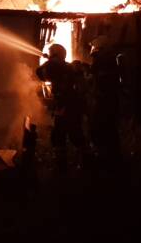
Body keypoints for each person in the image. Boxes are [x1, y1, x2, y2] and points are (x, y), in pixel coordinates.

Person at [36, 43, 87, 170]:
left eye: (52, 53)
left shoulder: (54, 65)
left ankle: (63, 165)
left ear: (56, 54)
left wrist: (48, 60)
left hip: (65, 105)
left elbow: (40, 73)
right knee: (72, 133)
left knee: (61, 135)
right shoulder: (67, 66)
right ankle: (86, 160)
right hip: (71, 104)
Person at [88, 37, 122, 166]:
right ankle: (112, 156)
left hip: (104, 103)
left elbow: (98, 82)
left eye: (95, 56)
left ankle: (106, 158)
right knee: (109, 129)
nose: (93, 60)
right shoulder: (110, 65)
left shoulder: (103, 68)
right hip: (109, 102)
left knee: (101, 128)